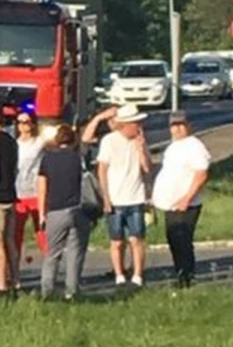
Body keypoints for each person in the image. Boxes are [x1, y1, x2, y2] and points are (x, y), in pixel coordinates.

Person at [151, 111, 211, 289]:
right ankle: (180, 274)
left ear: (188, 126)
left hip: (186, 204)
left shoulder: (194, 146)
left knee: (182, 240)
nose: (176, 129)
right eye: (173, 126)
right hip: (171, 204)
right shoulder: (173, 147)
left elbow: (202, 174)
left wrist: (186, 198)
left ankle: (187, 277)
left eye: (180, 125)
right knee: (173, 240)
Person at [95, 104, 152, 288]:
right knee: (117, 241)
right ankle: (119, 275)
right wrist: (106, 197)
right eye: (136, 123)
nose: (139, 127)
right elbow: (102, 169)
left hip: (135, 197)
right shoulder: (109, 141)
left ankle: (137, 275)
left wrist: (141, 148)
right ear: (126, 124)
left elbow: (147, 169)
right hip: (115, 198)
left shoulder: (140, 141)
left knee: (137, 239)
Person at [37, 123, 90, 301]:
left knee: (53, 253)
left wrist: (41, 214)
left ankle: (47, 291)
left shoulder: (48, 159)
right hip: (77, 208)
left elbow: (42, 188)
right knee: (75, 252)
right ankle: (72, 291)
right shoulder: (78, 157)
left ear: (57, 140)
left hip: (55, 210)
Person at [14, 111, 49, 265]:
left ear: (33, 124)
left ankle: (51, 264)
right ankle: (13, 270)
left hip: (37, 192)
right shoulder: (14, 144)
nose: (23, 125)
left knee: (41, 230)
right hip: (18, 193)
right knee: (16, 233)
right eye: (20, 122)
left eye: (27, 121)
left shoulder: (39, 142)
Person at [0, 107, 19, 296]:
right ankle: (16, 281)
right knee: (10, 240)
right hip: (11, 195)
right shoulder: (11, 142)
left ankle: (1, 285)